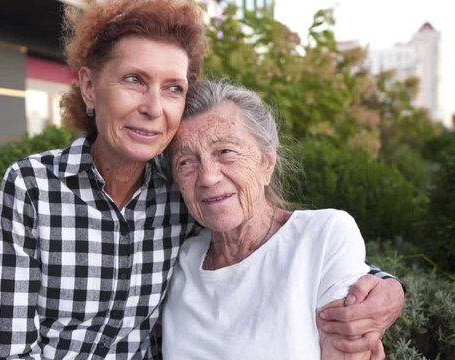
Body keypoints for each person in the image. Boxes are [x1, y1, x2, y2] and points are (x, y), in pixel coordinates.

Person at [0, 1, 404, 359]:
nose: (153, 107)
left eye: (173, 89)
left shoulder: (180, 187)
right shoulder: (34, 185)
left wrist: (387, 289)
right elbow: (5, 349)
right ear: (89, 88)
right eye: (133, 80)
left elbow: (286, 248)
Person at [162, 79, 394, 359]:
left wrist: (393, 288)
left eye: (226, 152)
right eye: (186, 162)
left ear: (266, 162)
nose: (208, 177)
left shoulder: (323, 236)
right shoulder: (181, 259)